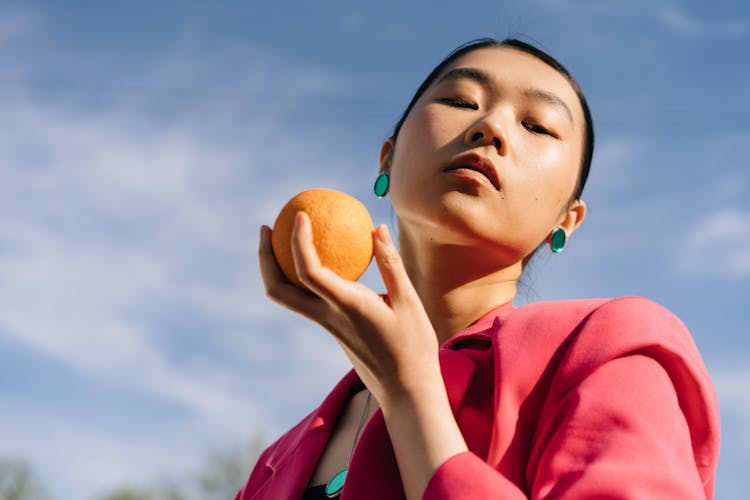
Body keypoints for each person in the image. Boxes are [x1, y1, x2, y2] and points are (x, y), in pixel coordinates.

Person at [236, 38, 721, 499]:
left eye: (537, 125)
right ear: (387, 159)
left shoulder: (609, 352)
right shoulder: (273, 463)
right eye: (461, 101)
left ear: (566, 221)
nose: (490, 127)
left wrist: (410, 392)